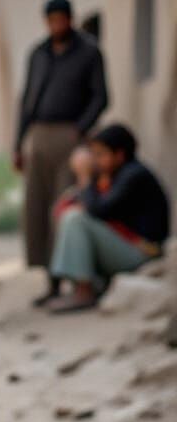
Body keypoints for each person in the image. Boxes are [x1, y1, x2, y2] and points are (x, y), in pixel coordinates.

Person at [15, 0, 108, 306]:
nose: (57, 25)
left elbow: (101, 97)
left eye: (61, 19)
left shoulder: (89, 52)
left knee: (63, 205)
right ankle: (50, 283)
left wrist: (80, 129)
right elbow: (26, 100)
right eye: (51, 20)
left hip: (71, 136)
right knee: (37, 208)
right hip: (39, 136)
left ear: (70, 18)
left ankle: (72, 279)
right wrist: (19, 143)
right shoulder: (38, 54)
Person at [47, 123, 170, 313]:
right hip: (126, 247)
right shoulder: (112, 175)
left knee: (76, 219)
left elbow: (98, 211)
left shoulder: (134, 175)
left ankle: (84, 292)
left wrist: (85, 178)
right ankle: (75, 286)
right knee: (69, 211)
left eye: (100, 154)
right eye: (93, 154)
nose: (95, 160)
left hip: (142, 253)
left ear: (119, 155)